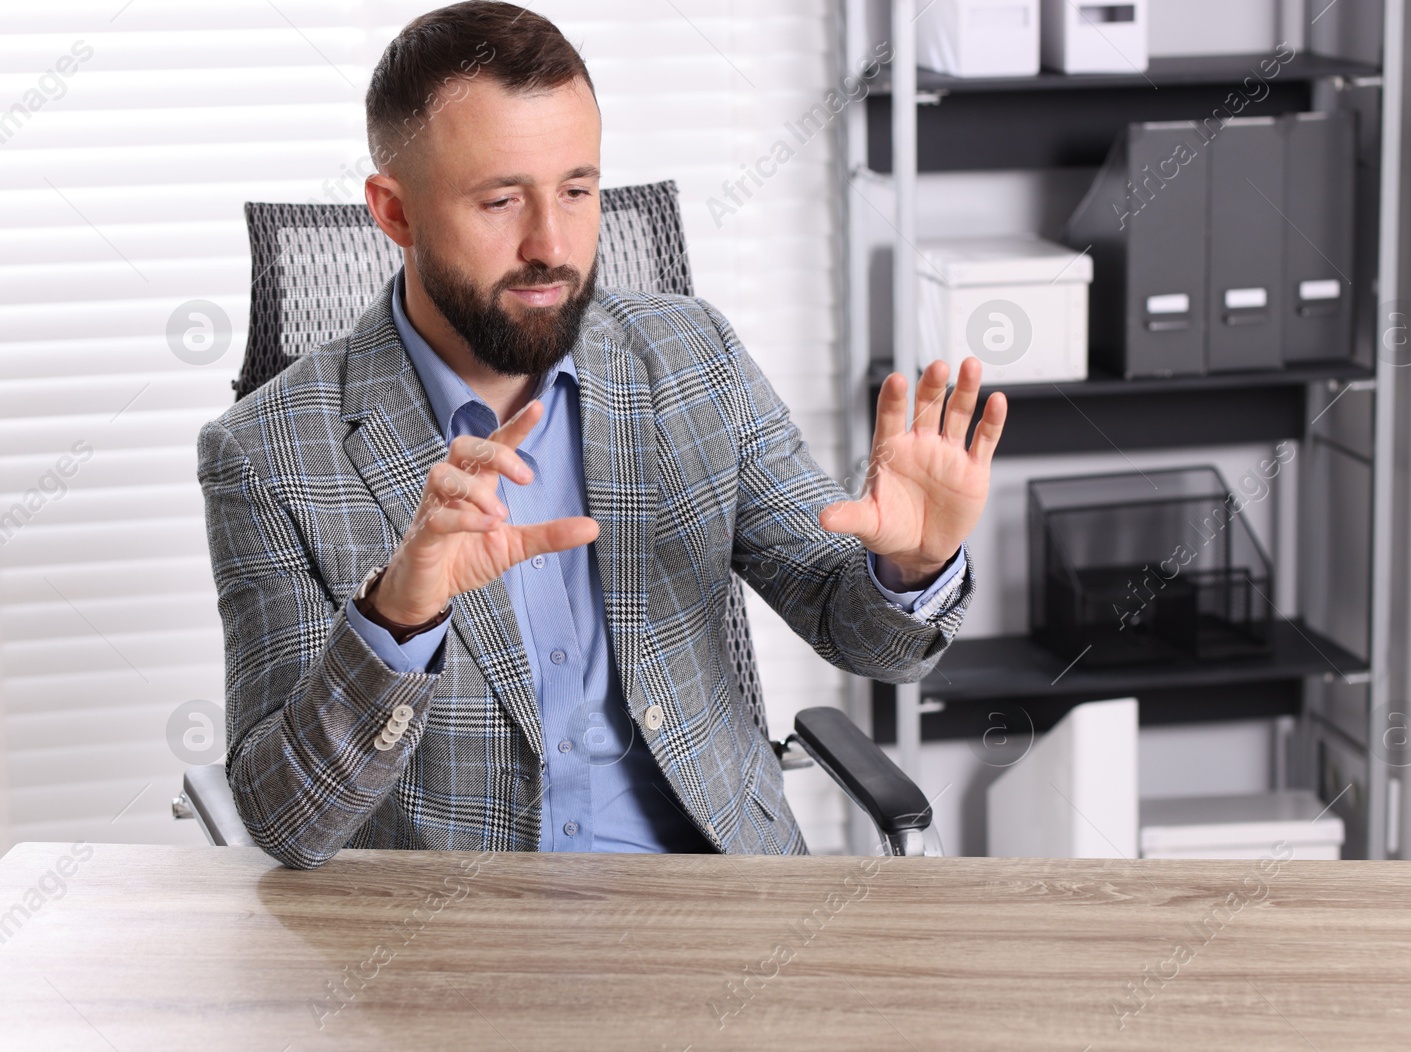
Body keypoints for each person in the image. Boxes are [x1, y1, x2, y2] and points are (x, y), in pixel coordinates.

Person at [198, 1, 1006, 869]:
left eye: (578, 191)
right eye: (501, 200)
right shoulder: (267, 453)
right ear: (393, 213)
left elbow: (865, 638)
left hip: (717, 906)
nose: (552, 243)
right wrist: (401, 613)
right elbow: (287, 821)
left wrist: (911, 569)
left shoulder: (691, 357)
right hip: (458, 947)